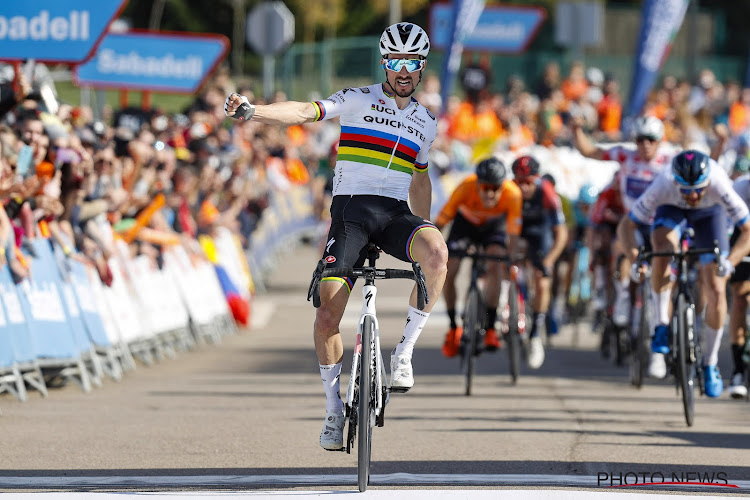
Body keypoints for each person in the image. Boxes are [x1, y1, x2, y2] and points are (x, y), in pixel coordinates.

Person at [224, 22, 448, 451]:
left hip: (395, 214)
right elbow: (305, 111)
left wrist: (425, 227)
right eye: (395, 61)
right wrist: (255, 111)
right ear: (385, 63)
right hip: (351, 214)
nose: (403, 70)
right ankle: (332, 407)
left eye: (411, 63)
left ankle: (404, 354)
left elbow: (420, 180)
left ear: (421, 67)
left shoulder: (426, 121)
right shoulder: (358, 98)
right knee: (328, 314)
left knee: (437, 251)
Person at [618, 150, 750, 397]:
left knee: (717, 289)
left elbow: (747, 230)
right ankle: (661, 324)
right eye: (686, 190)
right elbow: (627, 224)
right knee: (662, 250)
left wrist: (730, 262)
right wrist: (635, 259)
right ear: (675, 181)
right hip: (671, 210)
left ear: (708, 182)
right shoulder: (664, 182)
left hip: (711, 216)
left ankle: (710, 364)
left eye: (698, 189)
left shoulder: (720, 183)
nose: (692, 195)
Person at [572, 115, 678, 351]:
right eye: (640, 140)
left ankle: (665, 331)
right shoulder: (626, 156)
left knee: (669, 273)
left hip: (660, 223)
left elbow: (705, 165)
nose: (645, 145)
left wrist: (720, 145)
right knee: (619, 248)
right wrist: (577, 129)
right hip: (634, 221)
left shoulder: (669, 160)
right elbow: (590, 152)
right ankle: (621, 297)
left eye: (651, 140)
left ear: (660, 141)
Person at [435, 157, 522, 357]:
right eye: (485, 188)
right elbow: (442, 220)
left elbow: (514, 232)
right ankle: (452, 327)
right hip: (465, 226)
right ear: (477, 184)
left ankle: (491, 328)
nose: (490, 193)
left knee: (495, 265)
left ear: (503, 186)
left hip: (493, 229)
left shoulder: (513, 194)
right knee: (448, 271)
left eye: (495, 188)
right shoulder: (466, 187)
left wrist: (510, 257)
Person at [511, 155, 568, 369]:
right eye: (520, 182)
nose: (524, 187)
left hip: (540, 233)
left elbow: (561, 234)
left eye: (528, 182)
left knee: (542, 280)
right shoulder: (510, 190)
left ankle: (535, 335)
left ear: (536, 179)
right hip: (516, 230)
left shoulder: (547, 192)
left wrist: (549, 261)